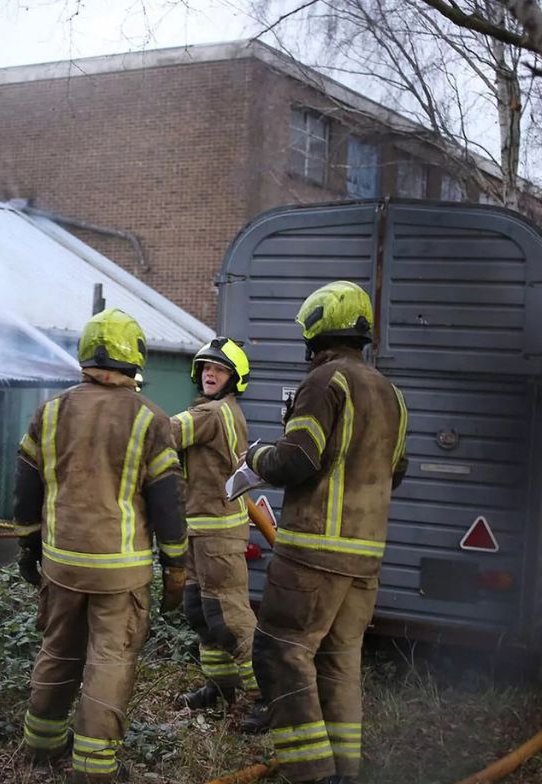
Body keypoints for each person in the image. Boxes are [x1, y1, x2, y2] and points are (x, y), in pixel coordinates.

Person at [14, 307, 187, 784]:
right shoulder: (151, 419)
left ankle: (41, 745)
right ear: (135, 358)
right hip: (121, 570)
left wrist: (29, 548)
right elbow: (168, 503)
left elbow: (26, 489)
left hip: (61, 564)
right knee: (110, 661)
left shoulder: (50, 412)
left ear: (86, 354)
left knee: (58, 650)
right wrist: (176, 568)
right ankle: (94, 767)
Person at [244, 281, 408, 784]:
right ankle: (345, 771)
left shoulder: (324, 382)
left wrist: (253, 457)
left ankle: (311, 773)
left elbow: (296, 459)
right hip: (364, 561)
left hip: (314, 555)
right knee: (340, 663)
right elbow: (395, 472)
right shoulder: (391, 394)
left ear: (316, 330)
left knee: (280, 653)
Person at [170, 337, 261, 716]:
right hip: (199, 532)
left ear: (233, 378)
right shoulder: (218, 410)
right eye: (206, 367)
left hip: (217, 535)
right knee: (200, 611)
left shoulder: (211, 414)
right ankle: (221, 688)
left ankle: (267, 696)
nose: (210, 373)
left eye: (219, 369)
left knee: (231, 619)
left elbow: (163, 433)